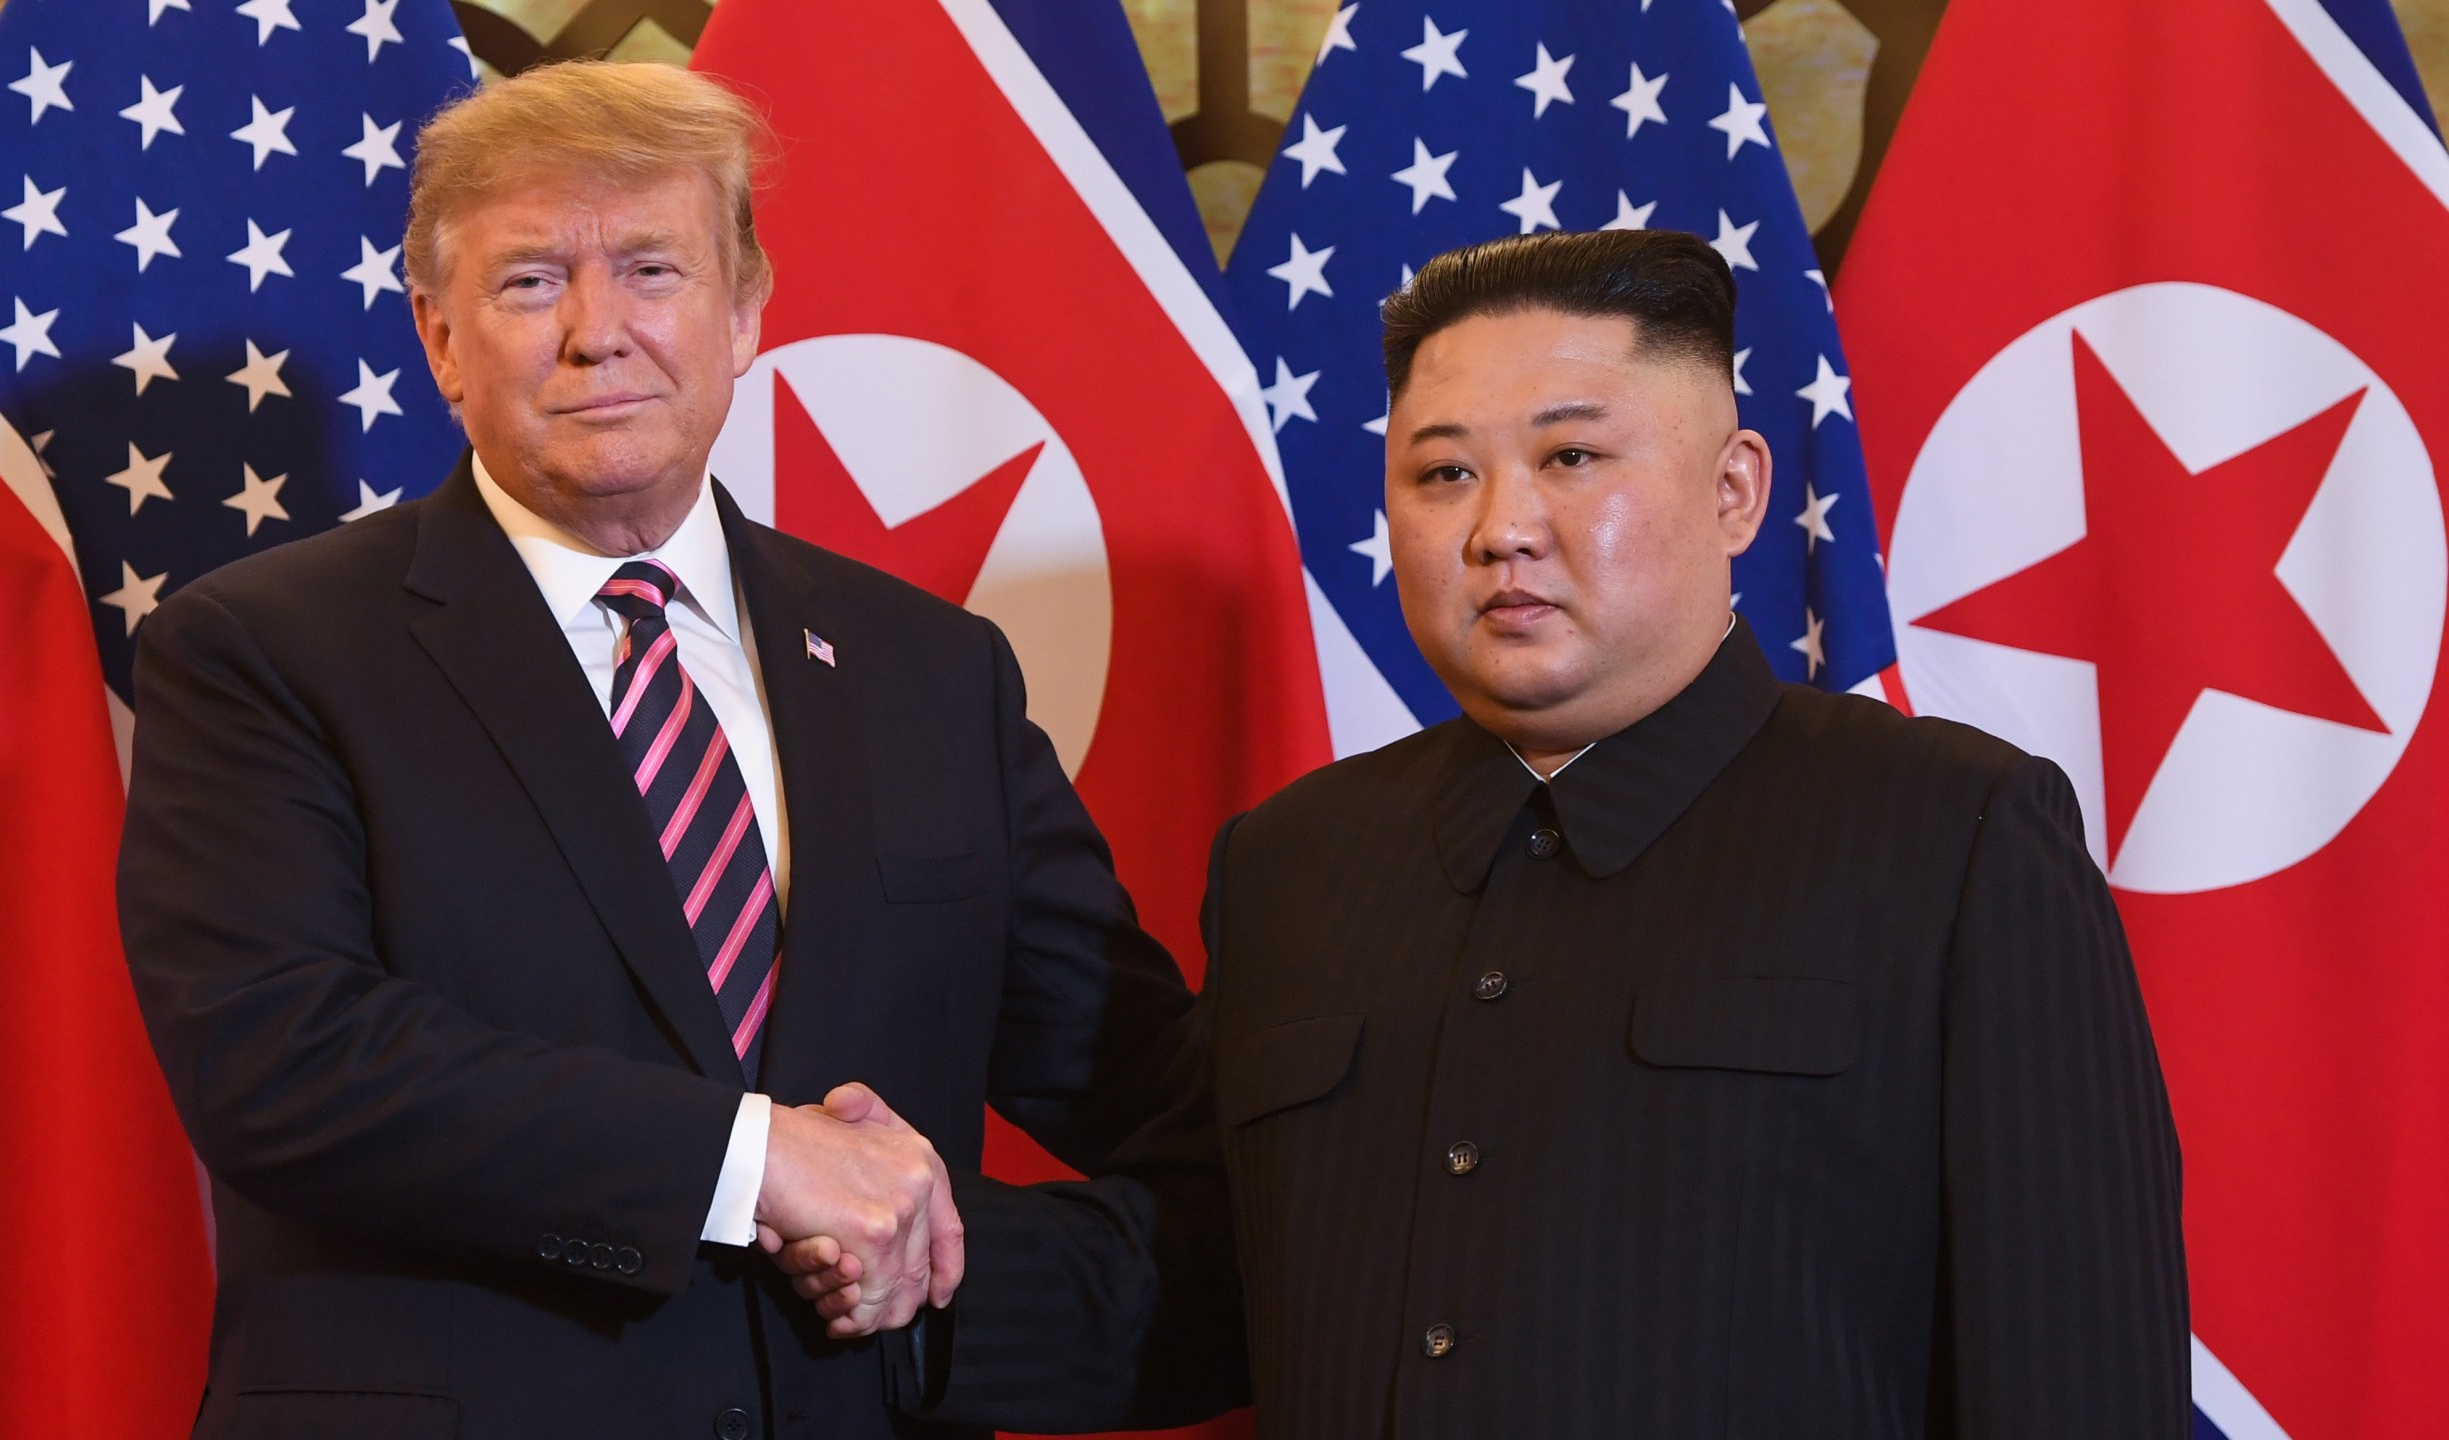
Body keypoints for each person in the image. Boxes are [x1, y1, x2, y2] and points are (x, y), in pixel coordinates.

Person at [890, 229, 2192, 1437]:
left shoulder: (1954, 836)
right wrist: (850, 1260)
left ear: (1737, 492)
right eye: (1443, 471)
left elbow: (2071, 1375)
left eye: (1570, 458)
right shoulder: (1294, 862)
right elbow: (1201, 1295)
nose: (1501, 528)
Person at [116, 61, 1223, 1440]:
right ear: (441, 338)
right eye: (531, 282)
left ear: (746, 309)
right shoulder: (265, 652)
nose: (598, 333)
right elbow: (282, 1061)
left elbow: (1135, 1072)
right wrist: (757, 1162)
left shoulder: (933, 671)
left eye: (652, 268)